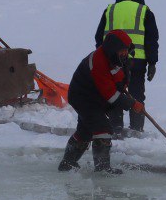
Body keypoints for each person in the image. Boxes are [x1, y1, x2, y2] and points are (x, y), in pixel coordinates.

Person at [59, 30, 143, 174]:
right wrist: (131, 103)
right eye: (122, 50)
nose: (125, 53)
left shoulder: (115, 58)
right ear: (113, 48)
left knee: (85, 132)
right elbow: (110, 96)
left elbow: (117, 81)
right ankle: (102, 169)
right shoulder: (98, 61)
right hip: (83, 98)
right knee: (103, 129)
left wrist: (122, 85)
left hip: (95, 98)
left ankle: (67, 164)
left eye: (126, 51)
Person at [93, 0, 159, 134]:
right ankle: (136, 129)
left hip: (113, 61)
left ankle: (116, 128)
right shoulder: (144, 11)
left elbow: (99, 37)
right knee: (136, 93)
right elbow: (151, 39)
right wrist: (152, 62)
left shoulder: (110, 10)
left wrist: (102, 57)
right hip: (137, 61)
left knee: (115, 92)